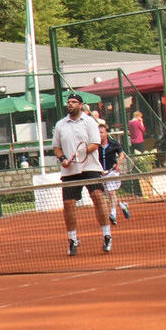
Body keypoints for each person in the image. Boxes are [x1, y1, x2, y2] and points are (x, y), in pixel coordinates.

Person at [52, 93, 112, 256]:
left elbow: (95, 144)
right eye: (68, 102)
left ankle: (107, 235)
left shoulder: (90, 122)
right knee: (68, 205)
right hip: (70, 171)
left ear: (81, 105)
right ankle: (73, 239)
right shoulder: (60, 125)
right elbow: (56, 147)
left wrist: (81, 153)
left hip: (90, 167)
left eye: (74, 102)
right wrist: (63, 159)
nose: (70, 104)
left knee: (98, 198)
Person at [98, 122, 130, 225]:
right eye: (98, 132)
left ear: (106, 133)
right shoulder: (95, 145)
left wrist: (117, 164)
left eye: (102, 132)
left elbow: (121, 155)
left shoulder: (114, 143)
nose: (100, 134)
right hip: (102, 174)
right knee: (110, 194)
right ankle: (122, 206)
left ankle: (113, 215)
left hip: (113, 172)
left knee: (111, 193)